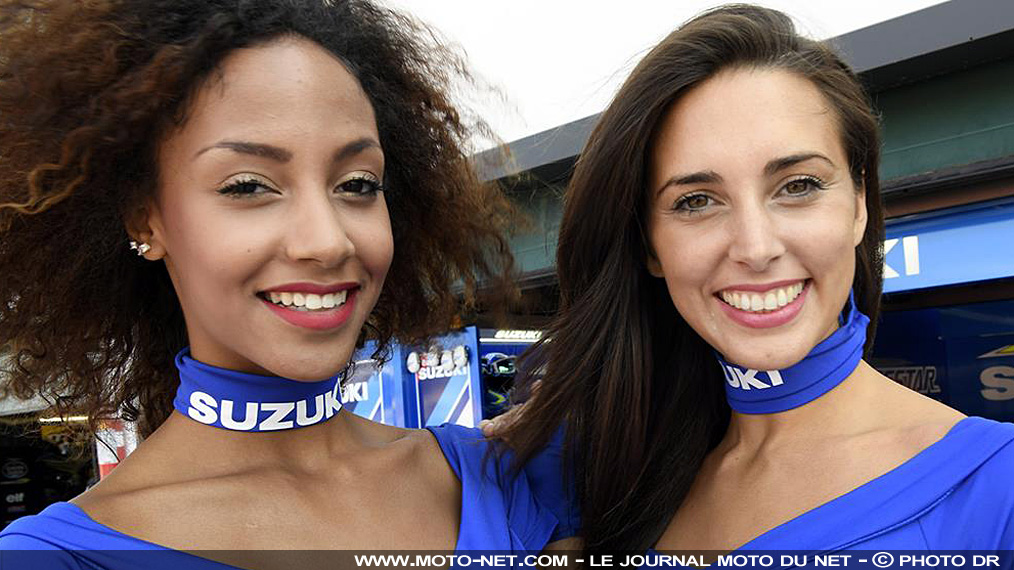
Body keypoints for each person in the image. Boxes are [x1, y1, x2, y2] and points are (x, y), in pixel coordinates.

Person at [0, 0, 575, 565]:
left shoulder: (511, 476)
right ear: (144, 221)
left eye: (357, 184)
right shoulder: (57, 556)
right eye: (248, 186)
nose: (328, 241)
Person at [498, 4, 1014, 553]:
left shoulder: (997, 488)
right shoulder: (602, 481)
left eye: (798, 185)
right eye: (697, 201)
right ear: (649, 245)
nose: (756, 248)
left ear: (860, 202)